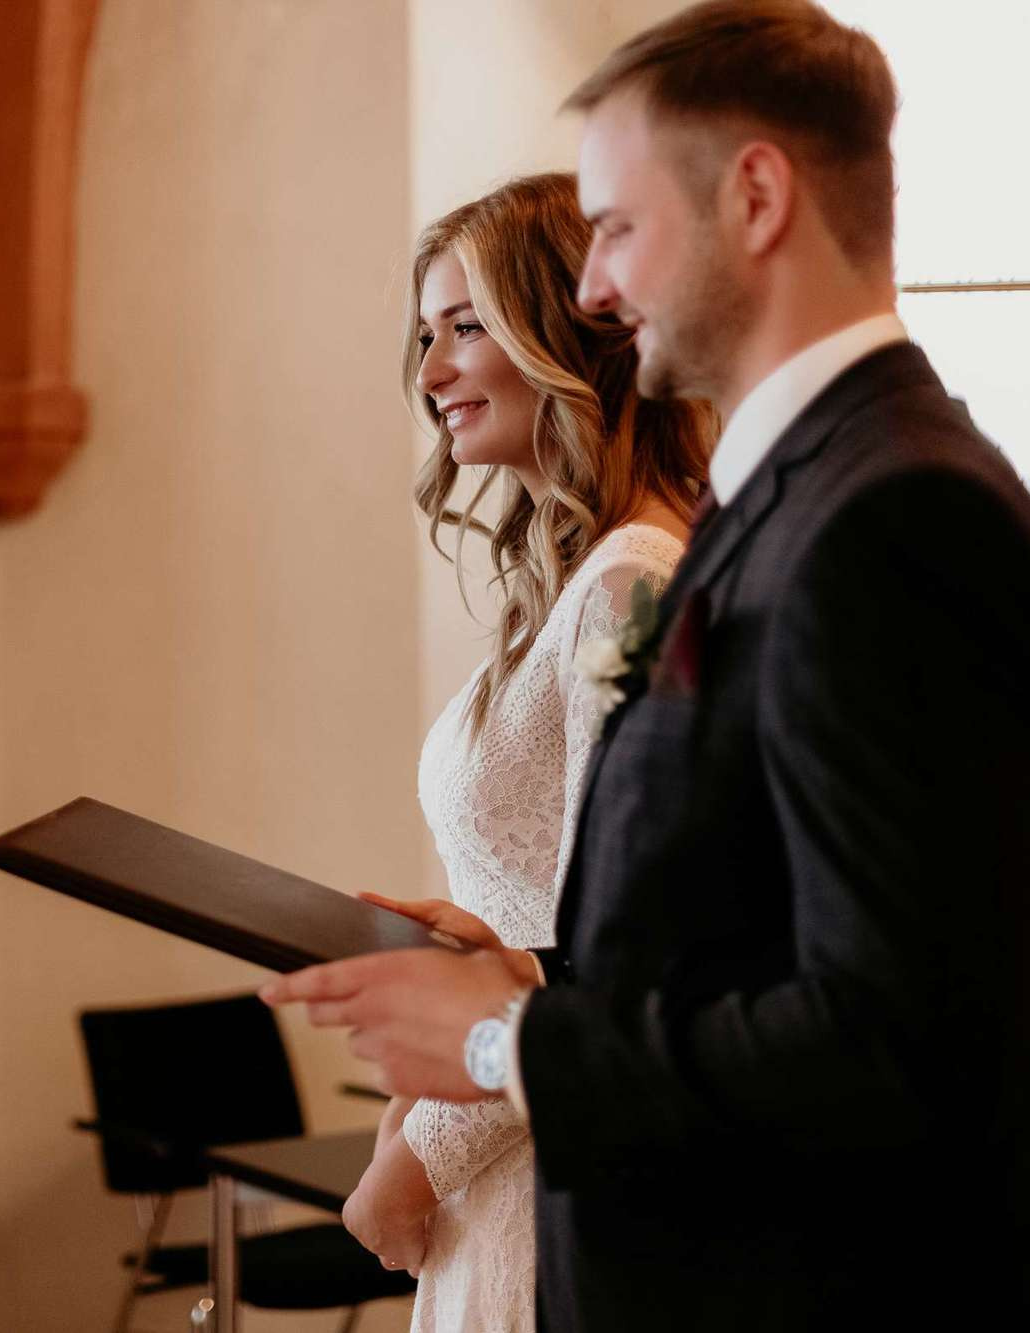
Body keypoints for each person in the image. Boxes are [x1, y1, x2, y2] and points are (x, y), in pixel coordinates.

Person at [264, 4, 1030, 1328]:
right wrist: (539, 960)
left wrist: (498, 1040)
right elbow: (756, 931)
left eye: (617, 226)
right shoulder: (793, 498)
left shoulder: (900, 518)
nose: (590, 288)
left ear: (755, 196)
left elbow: (898, 1044)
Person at [343, 173, 710, 1332]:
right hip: (502, 1122)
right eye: (424, 336)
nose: (434, 372)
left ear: (567, 333)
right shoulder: (572, 582)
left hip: (550, 1160)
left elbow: (626, 949)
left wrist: (426, 1155)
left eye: (466, 329)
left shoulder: (630, 590)